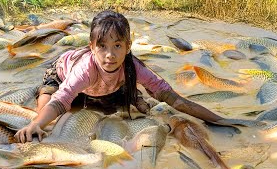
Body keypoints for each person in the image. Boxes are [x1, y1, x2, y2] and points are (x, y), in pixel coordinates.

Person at [14, 10, 241, 143]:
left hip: (108, 87)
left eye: (117, 46)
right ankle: (36, 120)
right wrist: (36, 123)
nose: (110, 55)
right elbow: (61, 100)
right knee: (48, 99)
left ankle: (133, 96)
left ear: (128, 46)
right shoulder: (85, 69)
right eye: (102, 46)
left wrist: (220, 120)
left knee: (122, 107)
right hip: (62, 74)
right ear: (92, 47)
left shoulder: (133, 67)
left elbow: (175, 99)